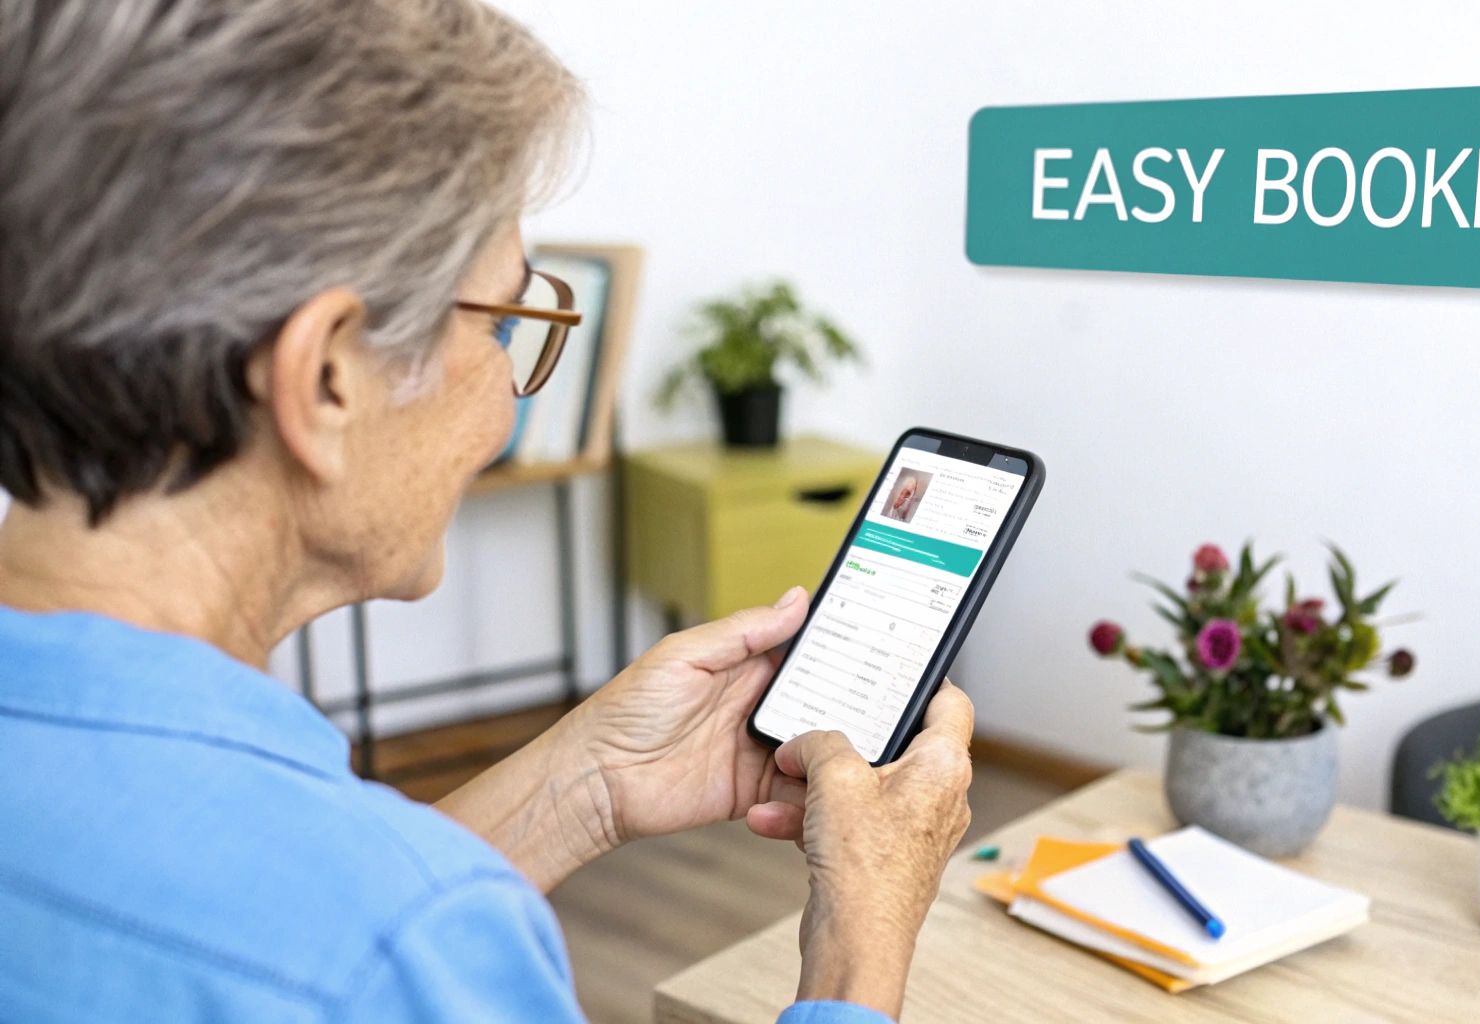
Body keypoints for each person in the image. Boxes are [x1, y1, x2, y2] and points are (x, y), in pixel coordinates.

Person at [0, 2, 973, 1021]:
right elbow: (360, 953)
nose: (510, 392)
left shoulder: (361, 921)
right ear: (327, 377)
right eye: (506, 321)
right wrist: (862, 934)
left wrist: (582, 782)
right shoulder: (402, 943)